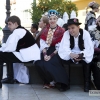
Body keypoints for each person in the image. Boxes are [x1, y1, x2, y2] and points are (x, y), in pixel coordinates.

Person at [0, 15, 40, 88]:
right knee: (6, 55)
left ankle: (9, 78)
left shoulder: (18, 31)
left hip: (28, 55)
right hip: (28, 54)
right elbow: (9, 47)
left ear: (16, 24)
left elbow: (10, 48)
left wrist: (2, 51)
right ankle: (10, 78)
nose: (8, 26)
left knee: (2, 56)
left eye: (9, 24)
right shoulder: (20, 30)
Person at [35, 9, 69, 91]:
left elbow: (60, 46)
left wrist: (50, 56)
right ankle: (49, 81)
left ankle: (61, 82)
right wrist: (45, 55)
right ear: (48, 20)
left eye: (54, 19)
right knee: (38, 63)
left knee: (50, 63)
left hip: (56, 51)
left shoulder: (61, 31)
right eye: (50, 19)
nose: (52, 21)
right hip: (46, 50)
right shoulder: (45, 30)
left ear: (57, 20)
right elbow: (44, 45)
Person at [58, 18, 94, 92]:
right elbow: (64, 47)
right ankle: (66, 83)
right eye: (69, 28)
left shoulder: (85, 33)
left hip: (82, 53)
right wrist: (71, 54)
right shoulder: (66, 33)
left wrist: (81, 55)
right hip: (71, 53)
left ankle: (87, 83)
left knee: (88, 59)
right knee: (64, 59)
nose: (70, 30)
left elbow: (88, 48)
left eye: (73, 28)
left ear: (78, 27)